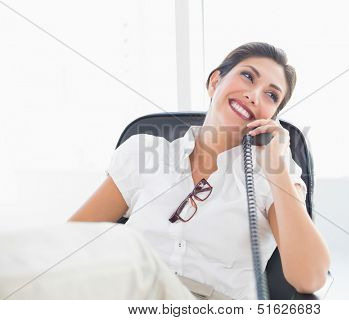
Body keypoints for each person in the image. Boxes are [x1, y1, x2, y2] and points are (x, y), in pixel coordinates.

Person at [69, 42, 331, 299]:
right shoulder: (144, 153)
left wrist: (277, 169)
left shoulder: (272, 176)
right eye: (248, 76)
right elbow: (69, 243)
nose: (254, 95)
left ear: (271, 117)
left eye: (271, 95)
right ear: (215, 81)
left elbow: (309, 278)